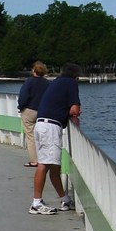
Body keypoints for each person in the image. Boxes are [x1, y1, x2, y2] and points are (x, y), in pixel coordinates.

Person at [29, 63, 81, 215]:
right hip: (50, 128)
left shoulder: (57, 82)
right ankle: (36, 203)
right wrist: (76, 112)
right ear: (75, 77)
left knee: (54, 167)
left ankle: (65, 199)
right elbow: (74, 110)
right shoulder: (71, 83)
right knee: (44, 165)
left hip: (42, 125)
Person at [17, 61, 49, 166]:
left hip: (29, 111)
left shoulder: (29, 82)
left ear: (34, 71)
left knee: (30, 136)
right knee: (43, 135)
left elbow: (23, 97)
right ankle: (45, 158)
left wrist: (20, 107)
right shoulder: (48, 83)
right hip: (43, 111)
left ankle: (34, 160)